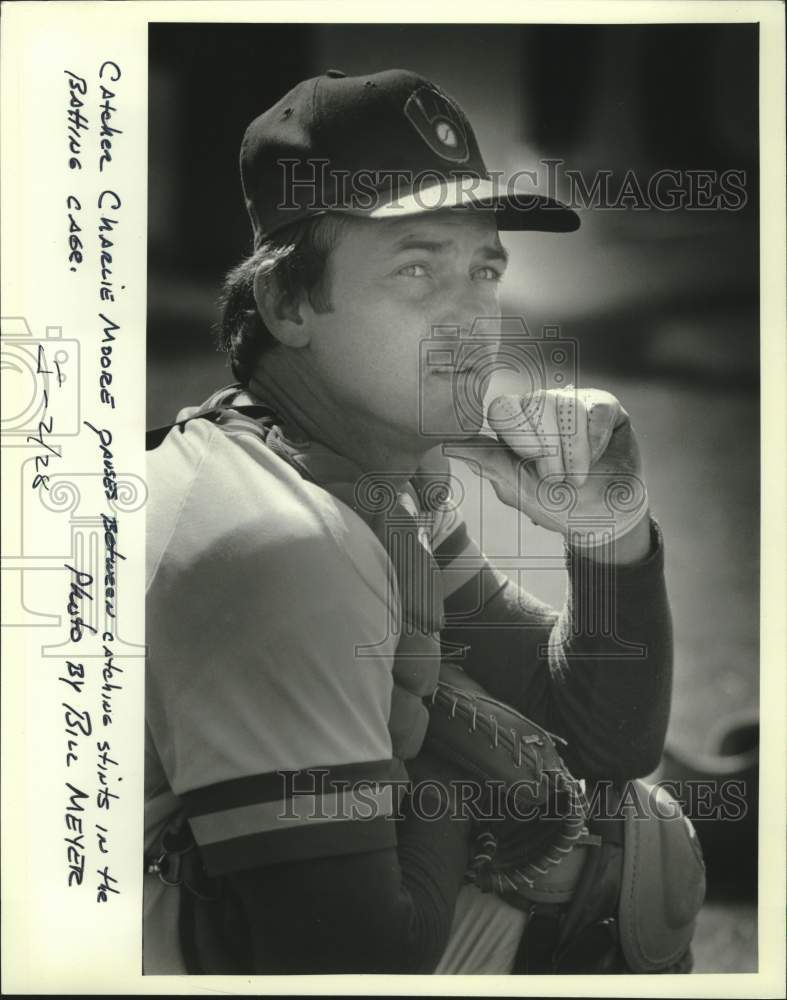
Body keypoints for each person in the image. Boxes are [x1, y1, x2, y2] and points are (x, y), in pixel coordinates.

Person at [143, 68, 696, 975]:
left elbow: (601, 743)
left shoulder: (360, 470)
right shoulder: (284, 543)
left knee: (628, 832)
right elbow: (350, 965)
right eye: (415, 270)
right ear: (287, 304)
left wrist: (609, 536)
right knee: (607, 884)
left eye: (482, 269)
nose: (473, 320)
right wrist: (458, 780)